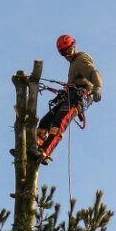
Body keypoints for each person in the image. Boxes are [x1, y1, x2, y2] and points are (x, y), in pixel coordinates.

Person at [36, 34, 102, 163]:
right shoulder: (73, 63)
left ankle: (44, 152)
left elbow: (93, 72)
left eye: (68, 51)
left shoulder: (80, 59)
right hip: (70, 96)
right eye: (63, 53)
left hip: (79, 98)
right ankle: (35, 144)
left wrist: (98, 87)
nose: (67, 55)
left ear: (74, 47)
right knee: (45, 121)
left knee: (59, 122)